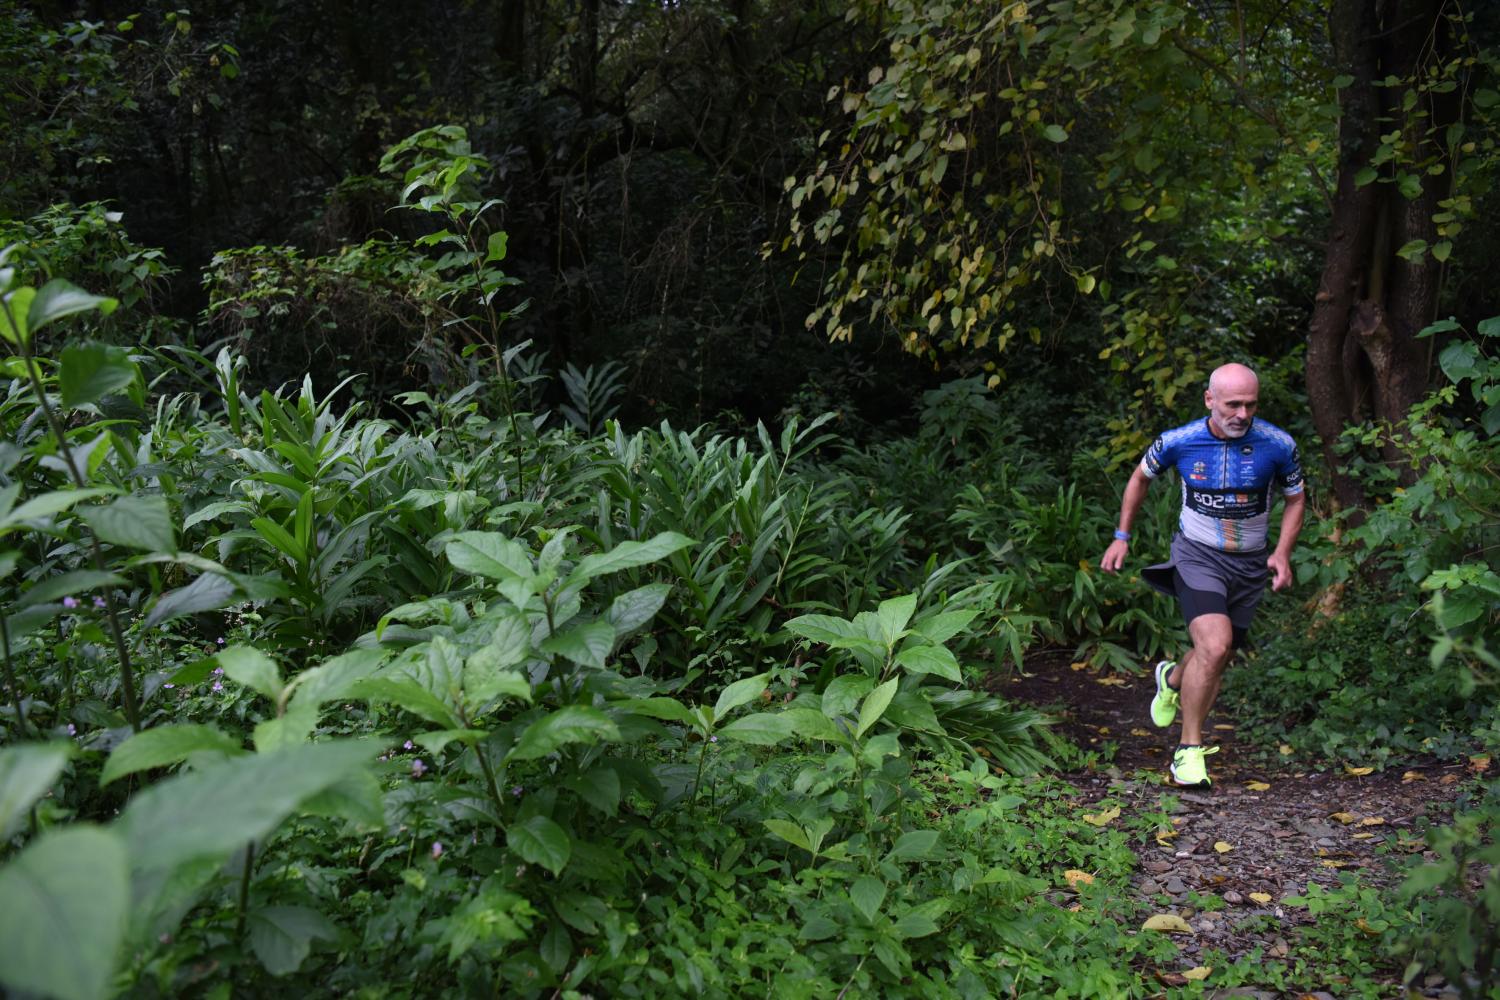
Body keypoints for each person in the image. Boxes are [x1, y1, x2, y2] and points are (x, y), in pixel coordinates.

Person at [1100, 363, 1306, 788]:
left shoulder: (1278, 445)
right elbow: (1139, 479)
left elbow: (1296, 499)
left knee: (1218, 655)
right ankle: (1188, 751)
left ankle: (1171, 677)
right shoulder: (1178, 441)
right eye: (1233, 404)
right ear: (1210, 400)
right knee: (1215, 646)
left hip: (1250, 563)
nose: (1242, 414)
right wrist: (1122, 535)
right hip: (1197, 555)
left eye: (1250, 405)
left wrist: (1283, 554)